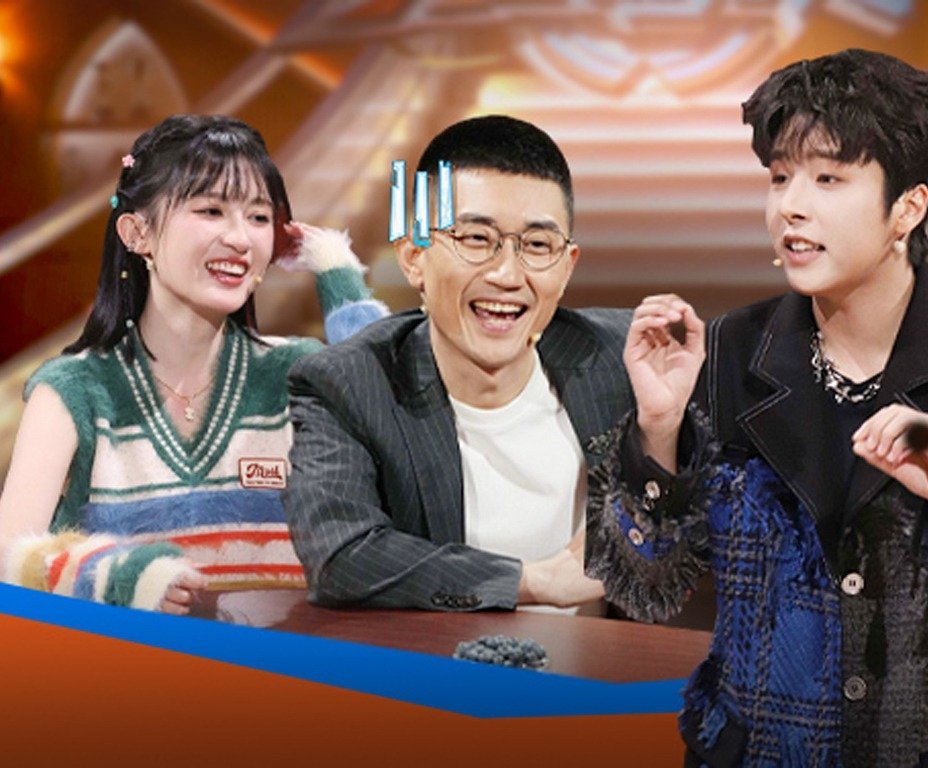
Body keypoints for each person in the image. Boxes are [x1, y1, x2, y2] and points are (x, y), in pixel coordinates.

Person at [587, 49, 928, 767]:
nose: (790, 206)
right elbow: (644, 585)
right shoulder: (724, 355)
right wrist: (658, 431)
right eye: (780, 177)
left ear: (908, 207)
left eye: (828, 178)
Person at [0, 114, 385, 613]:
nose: (241, 238)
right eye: (211, 210)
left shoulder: (297, 373)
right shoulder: (73, 390)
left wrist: (336, 268)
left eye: (258, 217)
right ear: (137, 233)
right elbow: (9, 560)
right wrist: (126, 580)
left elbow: (395, 432)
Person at [283, 115, 633, 614]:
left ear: (566, 265)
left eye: (537, 245)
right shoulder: (349, 384)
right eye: (475, 239)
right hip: (438, 665)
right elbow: (342, 556)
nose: (507, 274)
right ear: (414, 257)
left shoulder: (621, 357)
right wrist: (535, 581)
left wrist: (664, 427)